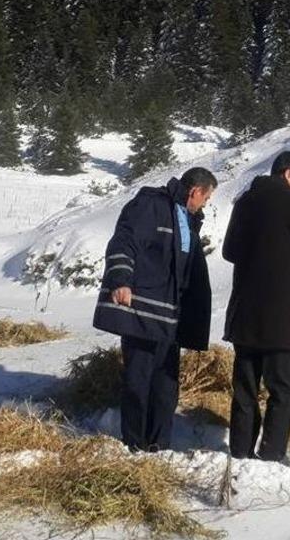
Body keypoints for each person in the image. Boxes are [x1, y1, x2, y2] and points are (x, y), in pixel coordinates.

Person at [93, 167, 217, 452]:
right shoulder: (151, 204)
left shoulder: (187, 217)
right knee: (139, 379)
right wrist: (120, 279)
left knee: (165, 385)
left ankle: (159, 445)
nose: (205, 204)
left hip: (169, 316)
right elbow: (123, 241)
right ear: (195, 191)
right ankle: (134, 443)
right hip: (143, 311)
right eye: (206, 198)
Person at [222, 151, 290, 461]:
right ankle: (270, 456)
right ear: (288, 174)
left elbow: (229, 251)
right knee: (283, 388)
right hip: (278, 314)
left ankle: (240, 453)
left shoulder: (245, 201)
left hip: (243, 311)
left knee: (245, 388)